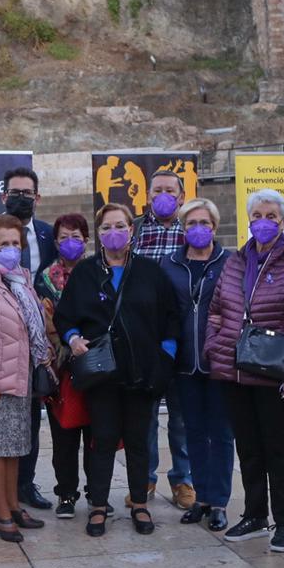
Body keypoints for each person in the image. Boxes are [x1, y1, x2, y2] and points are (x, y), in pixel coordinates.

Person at [54, 203, 179, 537]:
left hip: (142, 372)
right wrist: (73, 338)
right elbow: (64, 316)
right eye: (107, 227)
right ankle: (98, 505)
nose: (114, 233)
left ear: (131, 230)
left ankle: (139, 503)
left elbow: (170, 317)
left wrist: (166, 357)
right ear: (99, 233)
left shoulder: (151, 272)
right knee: (103, 440)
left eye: (120, 226)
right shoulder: (85, 272)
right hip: (102, 373)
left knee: (139, 441)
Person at [205, 189, 284, 554]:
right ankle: (254, 514)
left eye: (272, 216)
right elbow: (217, 309)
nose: (263, 222)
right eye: (258, 215)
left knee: (278, 449)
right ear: (249, 220)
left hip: (273, 371)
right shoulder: (236, 261)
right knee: (248, 448)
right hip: (235, 371)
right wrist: (213, 345)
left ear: (283, 222)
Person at [0, 167, 55, 510]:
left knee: (27, 426)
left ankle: (24, 487)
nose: (21, 198)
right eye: (15, 192)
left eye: (27, 193)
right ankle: (0, 499)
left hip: (32, 351)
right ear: (3, 197)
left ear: (37, 197)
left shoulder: (46, 234)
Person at [160, 199, 234, 531]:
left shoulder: (230, 263)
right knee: (192, 433)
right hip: (183, 365)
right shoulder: (169, 264)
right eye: (191, 223)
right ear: (182, 228)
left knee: (220, 434)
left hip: (219, 363)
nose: (198, 229)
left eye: (204, 223)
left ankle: (218, 502)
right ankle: (201, 498)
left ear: (215, 227)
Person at [131, 170, 194, 511]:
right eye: (158, 191)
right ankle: (145, 478)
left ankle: (183, 479)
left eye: (170, 190)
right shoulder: (136, 230)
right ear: (149, 196)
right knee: (146, 415)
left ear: (182, 196)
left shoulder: (192, 230)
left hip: (183, 336)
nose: (164, 196)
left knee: (181, 415)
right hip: (144, 338)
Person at [38, 212, 95, 519]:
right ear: (55, 241)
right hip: (60, 367)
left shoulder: (98, 271)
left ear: (86, 239)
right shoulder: (45, 278)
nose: (70, 242)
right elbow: (44, 321)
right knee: (64, 435)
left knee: (96, 435)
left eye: (76, 236)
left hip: (97, 363)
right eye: (63, 237)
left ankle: (96, 492)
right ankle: (66, 493)